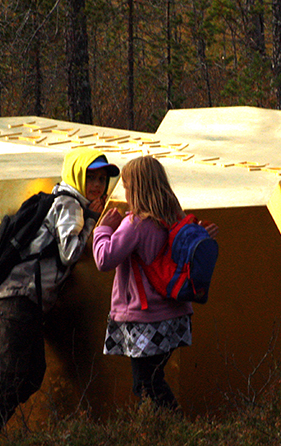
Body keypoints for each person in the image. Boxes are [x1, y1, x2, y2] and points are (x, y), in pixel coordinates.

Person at [0, 148, 119, 438]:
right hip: (19, 298)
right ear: (76, 176)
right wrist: (94, 221)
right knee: (4, 377)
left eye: (102, 179)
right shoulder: (69, 204)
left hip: (28, 302)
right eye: (92, 177)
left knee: (31, 374)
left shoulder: (68, 202)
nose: (98, 185)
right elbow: (70, 253)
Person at [92, 156, 218, 410]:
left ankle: (174, 431)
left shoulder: (135, 224)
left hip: (146, 320)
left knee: (146, 385)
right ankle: (166, 430)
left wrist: (102, 230)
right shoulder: (175, 218)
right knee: (152, 380)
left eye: (126, 186)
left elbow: (104, 260)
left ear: (135, 188)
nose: (124, 192)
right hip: (175, 316)